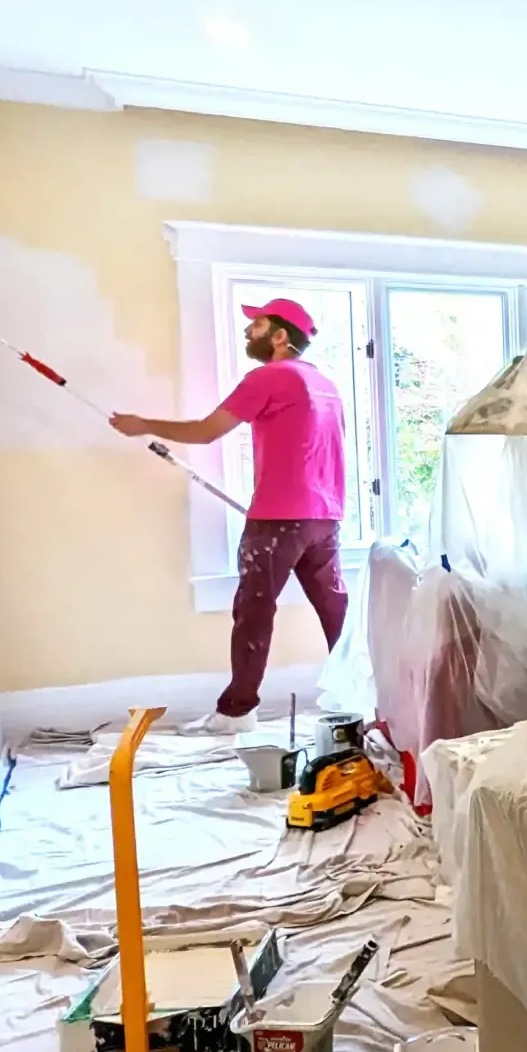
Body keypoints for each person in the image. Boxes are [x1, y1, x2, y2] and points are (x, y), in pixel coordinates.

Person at [111, 296, 348, 734]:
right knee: (336, 612)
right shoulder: (326, 384)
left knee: (254, 611)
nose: (247, 332)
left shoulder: (269, 377)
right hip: (325, 517)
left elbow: (206, 431)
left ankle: (237, 713)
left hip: (278, 520)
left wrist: (143, 423)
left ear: (281, 336)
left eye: (257, 325)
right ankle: (365, 699)